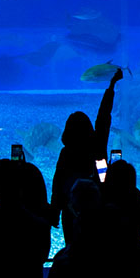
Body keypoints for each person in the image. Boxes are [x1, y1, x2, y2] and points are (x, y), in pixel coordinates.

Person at [51, 67, 123, 241]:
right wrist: (111, 86)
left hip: (71, 208)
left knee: (72, 246)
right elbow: (104, 117)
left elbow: (58, 184)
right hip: (97, 204)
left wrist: (55, 211)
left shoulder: (66, 152)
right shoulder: (97, 144)